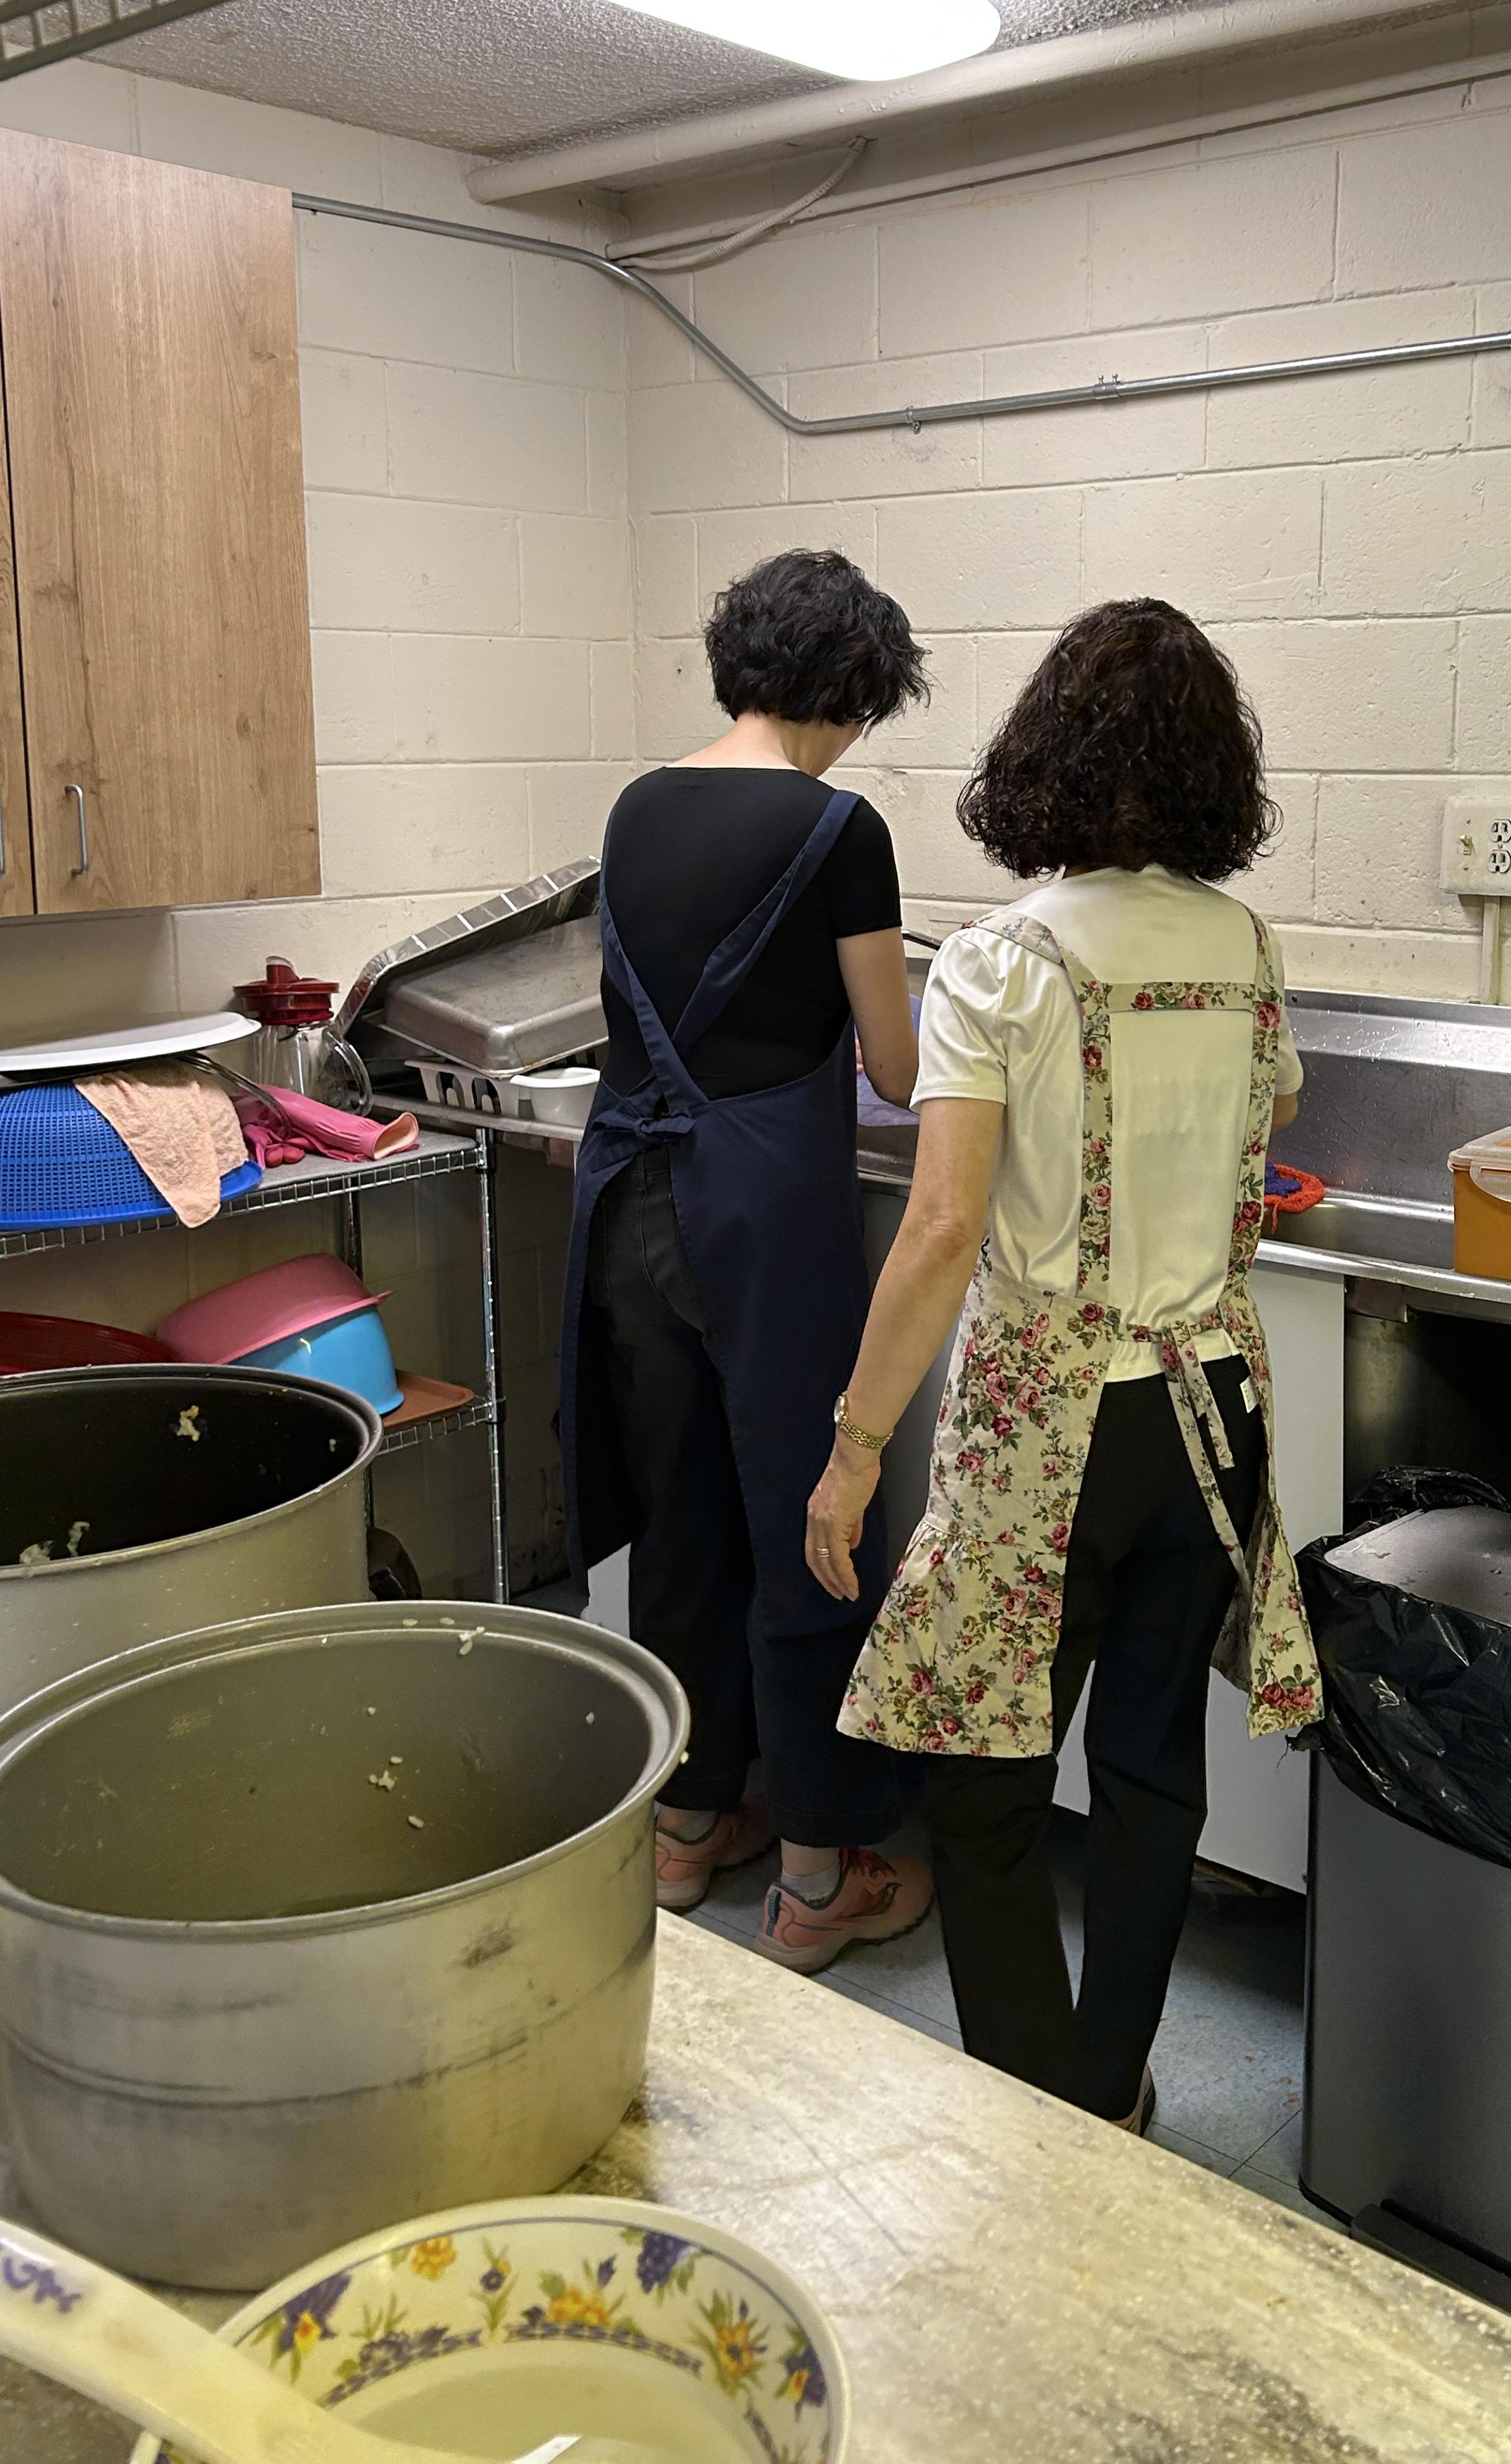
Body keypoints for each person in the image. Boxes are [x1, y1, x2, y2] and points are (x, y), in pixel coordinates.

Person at [803, 597, 1325, 2130]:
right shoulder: (1244, 946)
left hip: (1054, 1430)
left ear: (1046, 760)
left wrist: (853, 1448)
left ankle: (1040, 2112)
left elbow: (941, 1227)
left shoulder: (997, 963)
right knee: (1153, 1763)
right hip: (1211, 1405)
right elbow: (1276, 1113)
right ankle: (1110, 2085)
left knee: (985, 1779)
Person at [561, 548, 933, 1972]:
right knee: (808, 1518)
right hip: (764, 1217)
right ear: (848, 689)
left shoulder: (637, 806)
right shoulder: (839, 828)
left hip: (630, 1202)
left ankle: (685, 1825)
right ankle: (821, 1875)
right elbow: (892, 1064)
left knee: (683, 1516)